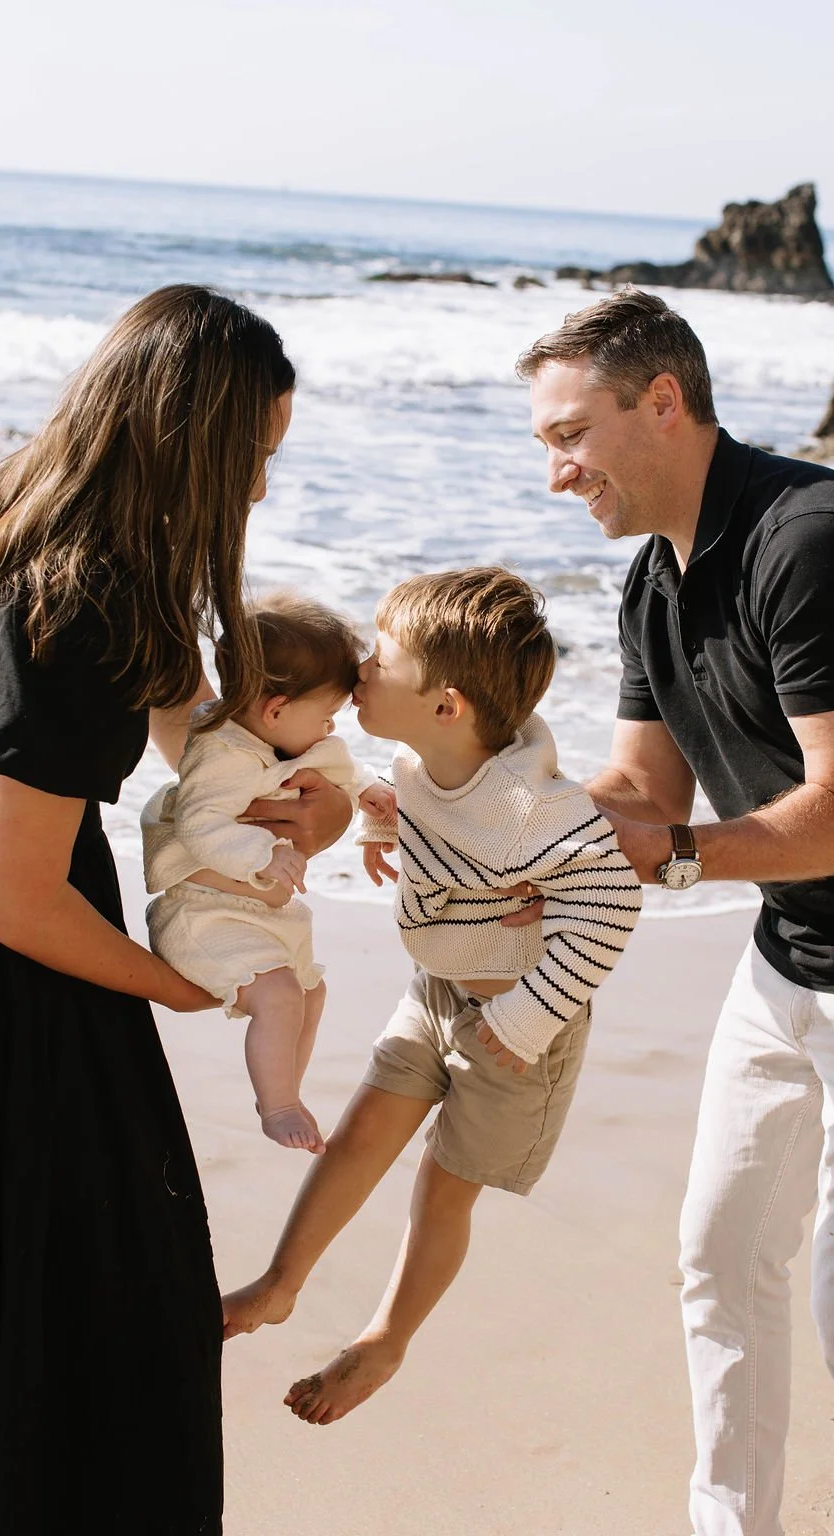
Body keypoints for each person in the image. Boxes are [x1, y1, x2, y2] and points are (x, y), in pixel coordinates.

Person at [0, 283, 328, 1535]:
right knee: (100, 1312)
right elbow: (15, 899)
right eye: (250, 457)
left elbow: (178, 720)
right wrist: (187, 982)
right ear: (187, 441)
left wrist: (289, 795)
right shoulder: (82, 598)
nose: (258, 490)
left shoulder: (29, 515)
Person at [517, 287, 834, 1536]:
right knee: (720, 1267)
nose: (555, 474)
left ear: (662, 403)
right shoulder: (653, 579)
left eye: (568, 435)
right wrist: (467, 807)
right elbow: (638, 794)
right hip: (788, 962)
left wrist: (688, 857)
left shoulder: (802, 539)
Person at [221, 566, 642, 1423]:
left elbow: (608, 907)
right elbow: (402, 793)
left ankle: (385, 1339)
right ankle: (280, 1284)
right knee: (361, 1133)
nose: (361, 669)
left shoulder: (539, 809)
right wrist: (379, 823)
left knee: (444, 1187)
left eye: (381, 658)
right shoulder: (420, 754)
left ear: (446, 704)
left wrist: (525, 1019)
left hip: (524, 1027)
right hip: (437, 990)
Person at [142, 593, 395, 1154]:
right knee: (280, 998)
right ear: (276, 709)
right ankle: (278, 1105)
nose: (333, 727)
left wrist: (368, 789)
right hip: (203, 913)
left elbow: (334, 766)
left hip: (257, 912)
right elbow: (198, 825)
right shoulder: (220, 754)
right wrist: (260, 854)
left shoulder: (284, 734)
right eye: (328, 715)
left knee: (311, 991)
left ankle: (281, 1089)